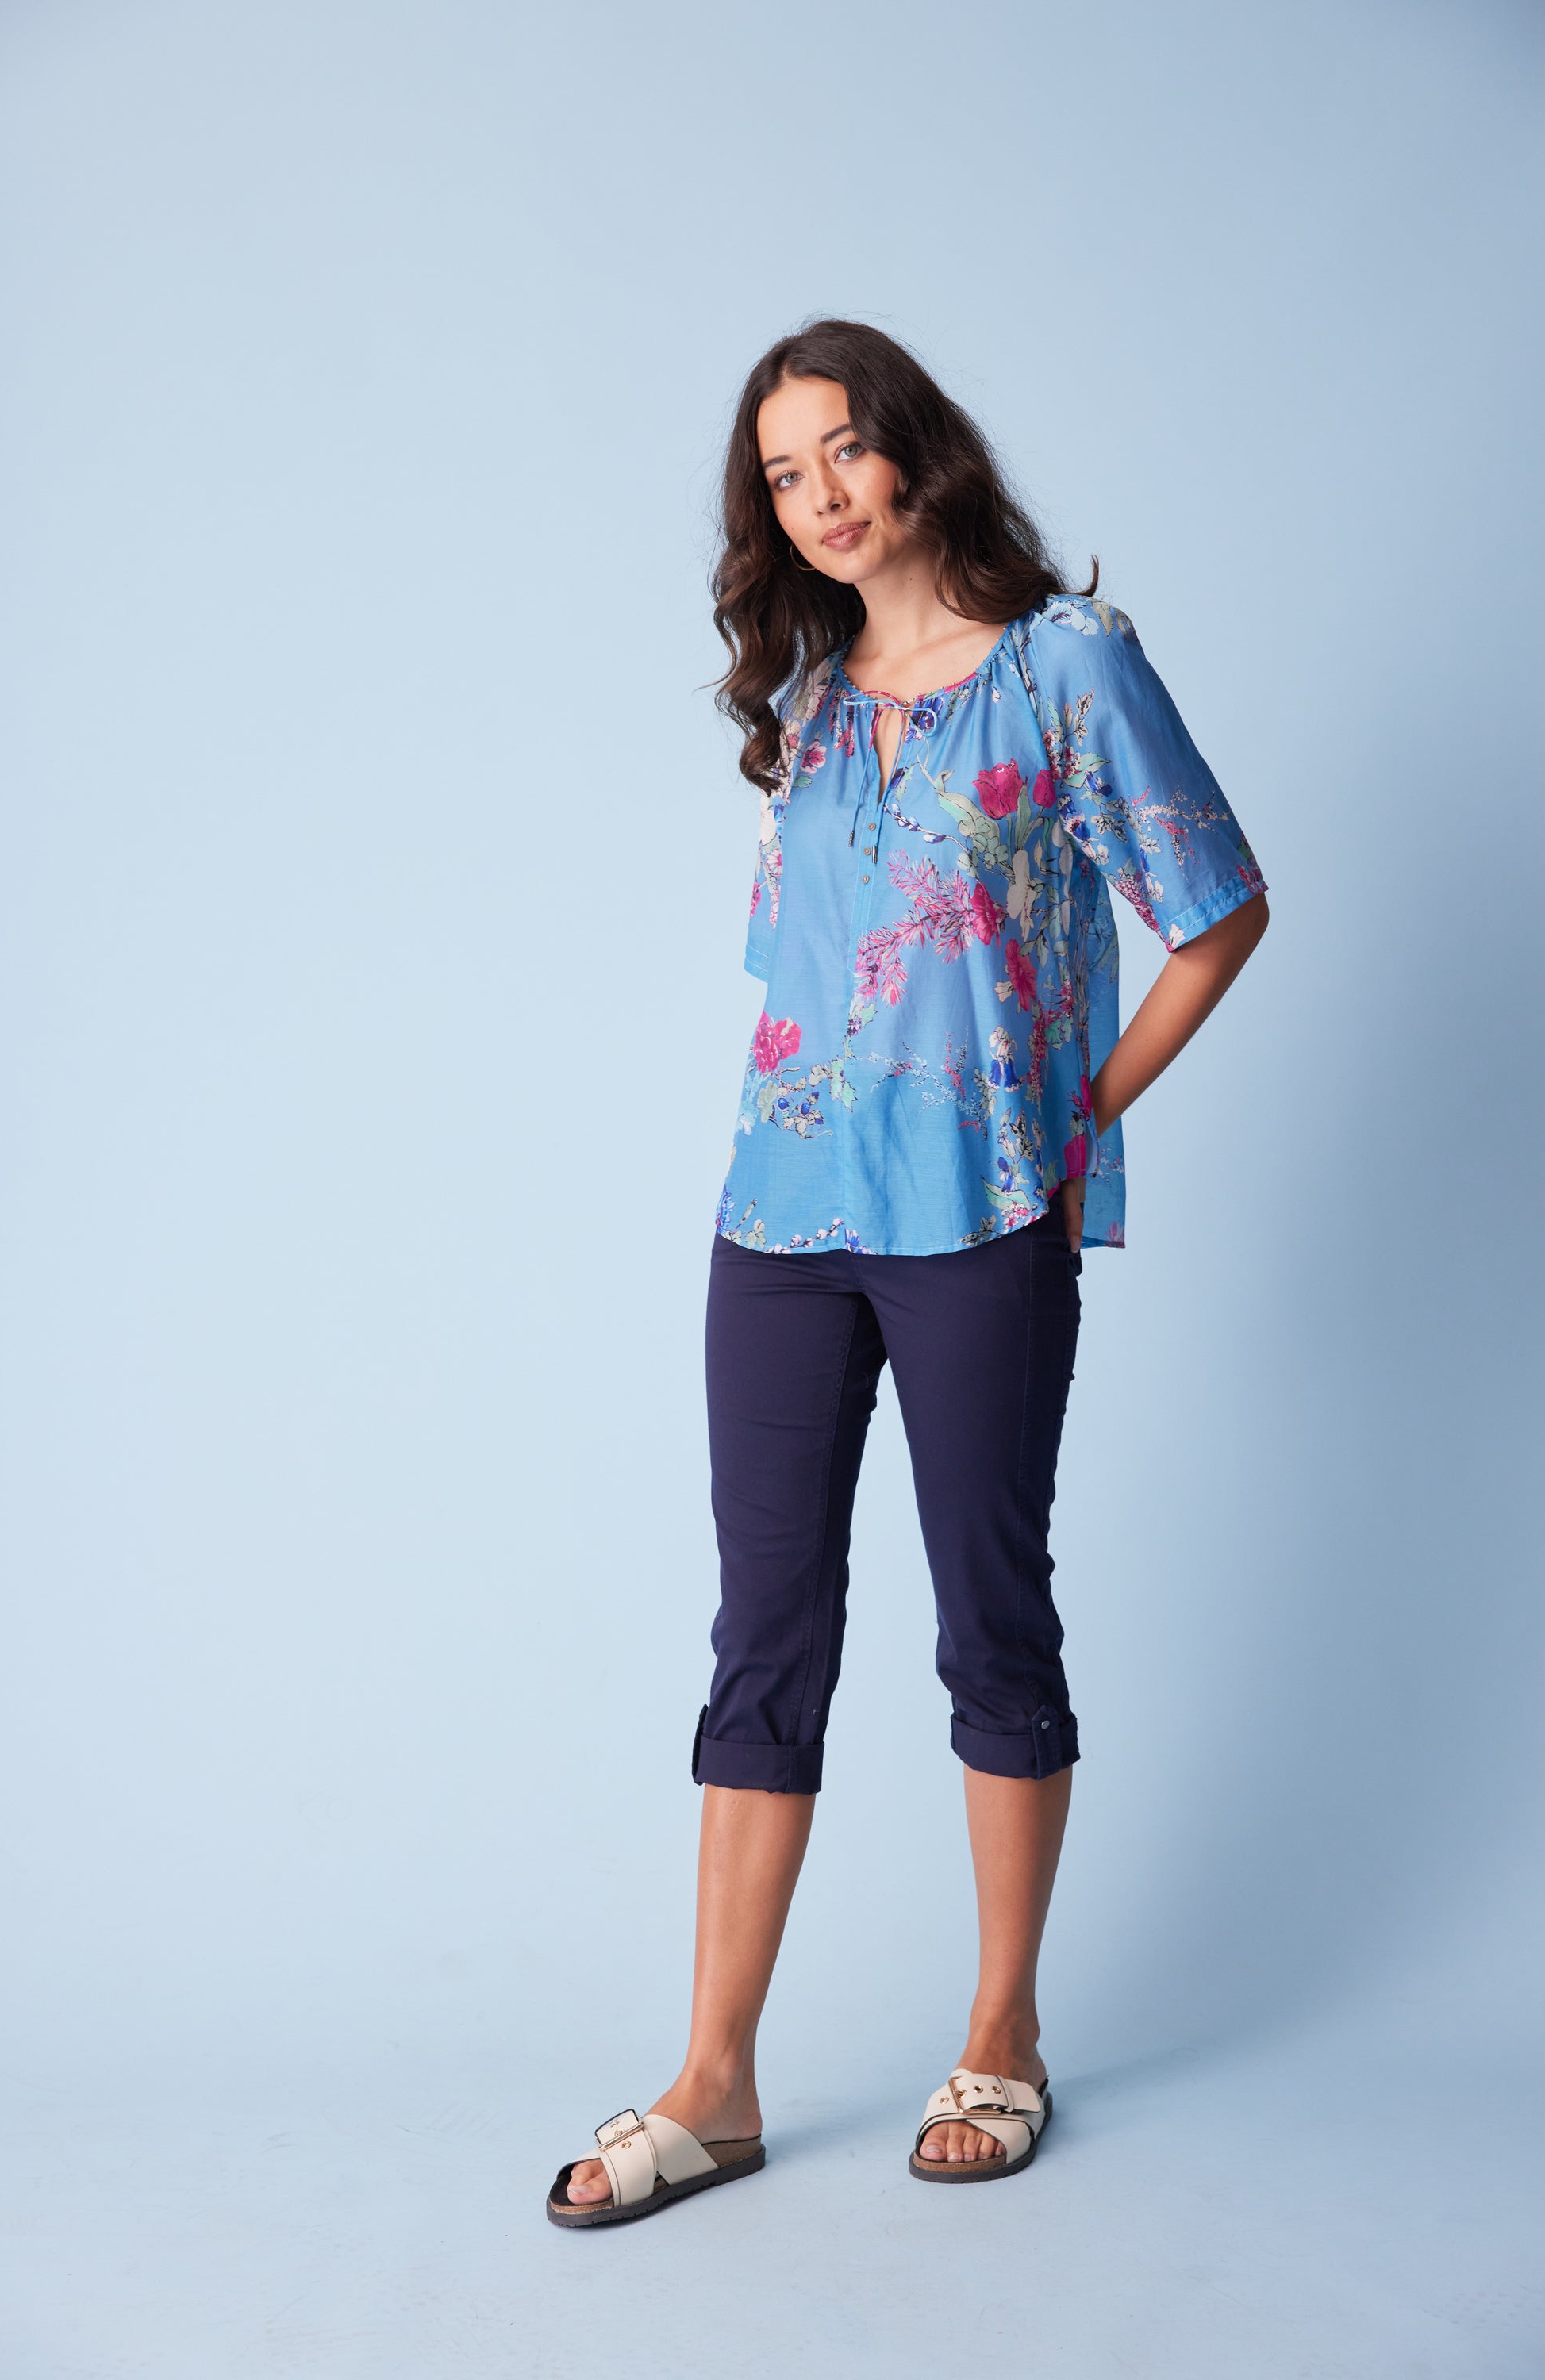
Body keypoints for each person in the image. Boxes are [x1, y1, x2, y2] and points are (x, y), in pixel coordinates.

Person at [547, 320, 1269, 2227]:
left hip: (978, 1223)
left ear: (914, 447)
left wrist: (1073, 1116)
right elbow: (811, 979)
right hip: (778, 1225)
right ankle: (714, 2082)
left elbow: (1215, 909)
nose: (820, 499)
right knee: (762, 1636)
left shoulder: (1064, 665)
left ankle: (1003, 2031)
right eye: (781, 478)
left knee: (988, 1619)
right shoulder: (808, 704)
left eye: (842, 452)